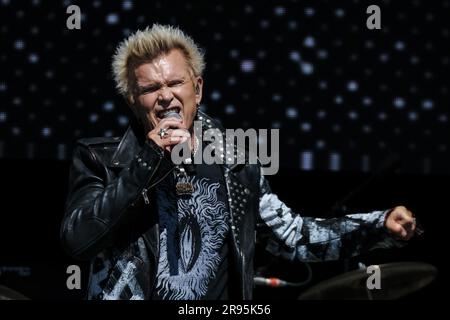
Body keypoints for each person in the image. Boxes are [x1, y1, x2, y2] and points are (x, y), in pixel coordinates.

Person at [60, 24, 416, 300]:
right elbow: (79, 241)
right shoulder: (102, 159)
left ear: (196, 89)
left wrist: (378, 225)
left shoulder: (235, 162)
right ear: (133, 101)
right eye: (151, 88)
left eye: (175, 83)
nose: (166, 95)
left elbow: (292, 237)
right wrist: (148, 161)